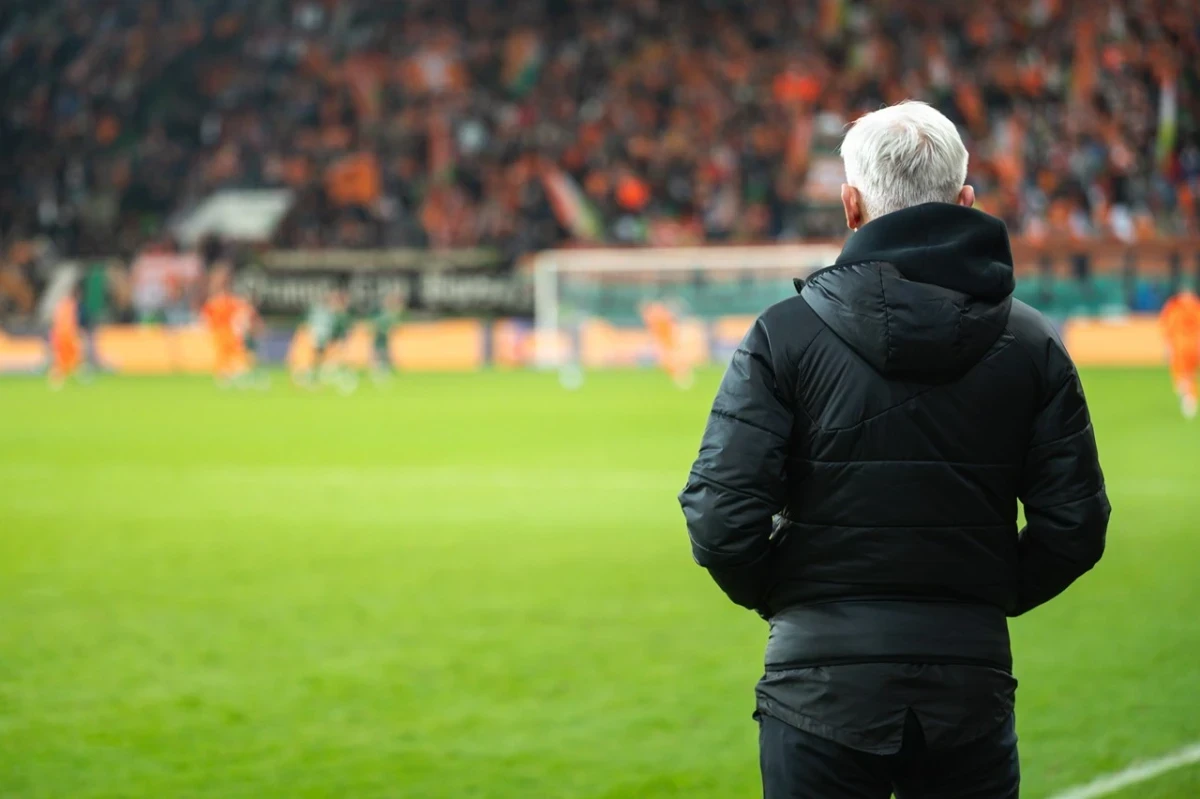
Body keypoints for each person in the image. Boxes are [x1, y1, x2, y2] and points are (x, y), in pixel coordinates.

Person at [679, 101, 1110, 799]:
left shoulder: (783, 335)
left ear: (851, 206)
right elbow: (1076, 526)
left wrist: (791, 598)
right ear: (966, 201)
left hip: (815, 686)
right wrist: (977, 596)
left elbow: (720, 518)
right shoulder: (1032, 344)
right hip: (970, 685)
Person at [1159, 289, 1200, 419]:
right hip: (1193, 346)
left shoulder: (1173, 308)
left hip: (1180, 346)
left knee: (1181, 374)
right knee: (1189, 374)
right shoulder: (1195, 306)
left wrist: (1167, 347)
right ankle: (1189, 397)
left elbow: (1167, 327)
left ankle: (1188, 398)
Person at [201, 270, 246, 385]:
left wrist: (238, 326)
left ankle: (233, 372)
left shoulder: (228, 301)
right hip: (221, 331)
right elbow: (207, 317)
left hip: (227, 331)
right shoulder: (215, 302)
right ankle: (227, 373)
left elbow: (239, 314)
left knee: (231, 352)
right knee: (225, 352)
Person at [641, 299, 693, 389]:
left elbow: (669, 325)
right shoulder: (654, 317)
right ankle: (679, 375)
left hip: (667, 341)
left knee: (671, 359)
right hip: (663, 341)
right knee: (667, 360)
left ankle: (682, 375)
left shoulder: (658, 316)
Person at [48, 286, 84, 388]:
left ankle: (59, 378)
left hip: (60, 335)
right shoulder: (70, 305)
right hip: (65, 335)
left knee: (67, 357)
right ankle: (57, 378)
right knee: (68, 357)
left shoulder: (61, 305)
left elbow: (55, 321)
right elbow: (70, 322)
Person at [370, 290, 405, 380]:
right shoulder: (381, 315)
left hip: (384, 342)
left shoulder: (389, 315)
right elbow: (373, 327)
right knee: (378, 358)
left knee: (385, 358)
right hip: (378, 342)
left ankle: (384, 373)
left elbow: (395, 327)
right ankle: (378, 374)